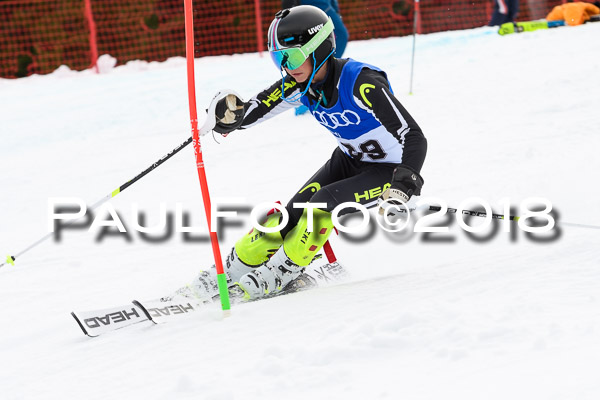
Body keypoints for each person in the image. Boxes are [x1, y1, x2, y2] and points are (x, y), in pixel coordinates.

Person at [190, 5, 427, 301]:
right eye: (280, 58)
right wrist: (227, 117)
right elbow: (253, 110)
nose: (287, 67)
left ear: (319, 48)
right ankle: (235, 267)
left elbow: (413, 136)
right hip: (348, 161)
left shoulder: (362, 83)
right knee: (289, 215)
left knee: (323, 203)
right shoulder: (299, 84)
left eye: (293, 56)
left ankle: (283, 270)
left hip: (389, 170)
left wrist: (404, 185)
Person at [281, 0, 349, 116]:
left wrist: (334, 6)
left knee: (335, 38)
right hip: (312, 4)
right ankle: (309, 90)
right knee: (339, 36)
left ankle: (320, 83)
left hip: (324, 4)